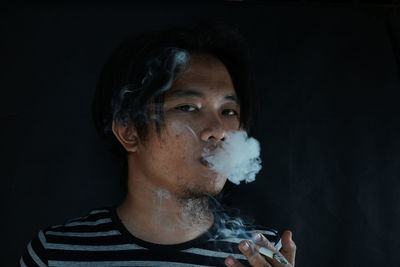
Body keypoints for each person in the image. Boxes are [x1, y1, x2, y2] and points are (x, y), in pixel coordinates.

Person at [20, 22, 296, 267]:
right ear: (129, 131)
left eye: (228, 111)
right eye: (188, 106)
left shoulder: (264, 256)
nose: (218, 131)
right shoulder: (55, 254)